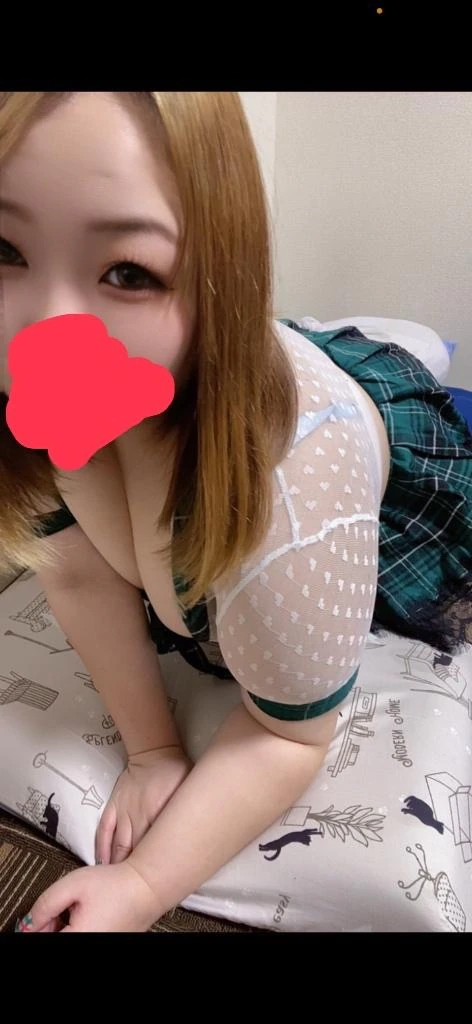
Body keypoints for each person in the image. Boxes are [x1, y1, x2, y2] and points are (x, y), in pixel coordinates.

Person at [0, 92, 470, 933]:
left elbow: (292, 734)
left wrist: (141, 886)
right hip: (220, 371)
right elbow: (75, 574)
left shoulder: (294, 484)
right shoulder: (29, 389)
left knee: (395, 374)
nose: (44, 330)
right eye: (3, 249)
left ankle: (384, 351)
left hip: (362, 436)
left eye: (128, 272)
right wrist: (152, 749)